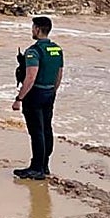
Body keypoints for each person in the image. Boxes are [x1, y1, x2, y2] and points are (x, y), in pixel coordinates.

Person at [12, 16, 64, 180]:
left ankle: (36, 168)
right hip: (49, 93)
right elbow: (59, 74)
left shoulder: (34, 51)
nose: (32, 30)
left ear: (37, 29)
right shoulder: (56, 49)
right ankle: (44, 165)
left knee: (37, 132)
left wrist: (19, 98)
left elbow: (30, 77)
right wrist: (53, 91)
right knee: (46, 129)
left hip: (35, 94)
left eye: (33, 27)